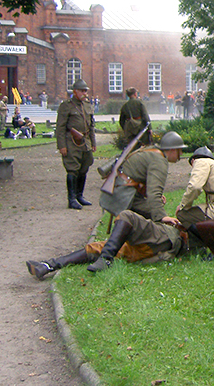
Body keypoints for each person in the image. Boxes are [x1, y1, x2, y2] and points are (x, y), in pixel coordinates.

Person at [25, 210, 187, 279]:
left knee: (126, 215)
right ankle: (47, 266)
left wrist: (169, 218)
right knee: (97, 247)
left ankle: (106, 259)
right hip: (153, 245)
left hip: (167, 236)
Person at [100, 131, 186, 223]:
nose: (181, 154)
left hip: (119, 191)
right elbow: (154, 192)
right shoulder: (159, 161)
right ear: (172, 150)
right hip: (124, 196)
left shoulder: (152, 152)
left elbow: (138, 177)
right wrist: (162, 217)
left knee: (152, 209)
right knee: (153, 218)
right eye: (179, 150)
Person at [56, 80, 96, 210]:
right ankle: (71, 199)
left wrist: (93, 143)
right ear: (75, 92)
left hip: (85, 141)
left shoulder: (87, 105)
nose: (84, 93)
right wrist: (62, 145)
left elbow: (91, 126)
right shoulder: (66, 106)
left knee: (85, 166)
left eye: (86, 91)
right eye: (82, 91)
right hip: (71, 141)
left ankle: (79, 195)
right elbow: (60, 127)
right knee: (72, 168)